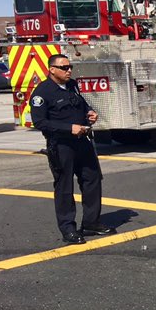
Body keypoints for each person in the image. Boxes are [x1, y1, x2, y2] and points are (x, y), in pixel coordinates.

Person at [30, 53, 116, 244]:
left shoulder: (72, 85)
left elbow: (81, 105)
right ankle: (68, 229)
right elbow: (39, 122)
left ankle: (91, 223)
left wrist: (89, 114)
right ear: (52, 69)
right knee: (64, 187)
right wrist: (69, 128)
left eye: (70, 67)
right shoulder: (42, 93)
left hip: (82, 141)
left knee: (92, 179)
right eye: (64, 67)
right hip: (61, 146)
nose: (69, 70)